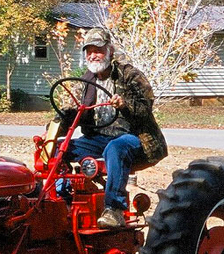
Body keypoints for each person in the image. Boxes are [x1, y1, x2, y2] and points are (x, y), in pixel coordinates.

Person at [61, 28, 168, 228]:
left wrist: (124, 104)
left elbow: (146, 108)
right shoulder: (86, 80)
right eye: (89, 51)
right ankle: (61, 199)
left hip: (134, 137)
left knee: (116, 148)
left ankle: (114, 209)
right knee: (60, 148)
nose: (93, 55)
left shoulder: (130, 75)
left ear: (109, 51)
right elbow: (74, 111)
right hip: (98, 138)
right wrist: (54, 131)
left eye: (98, 50)